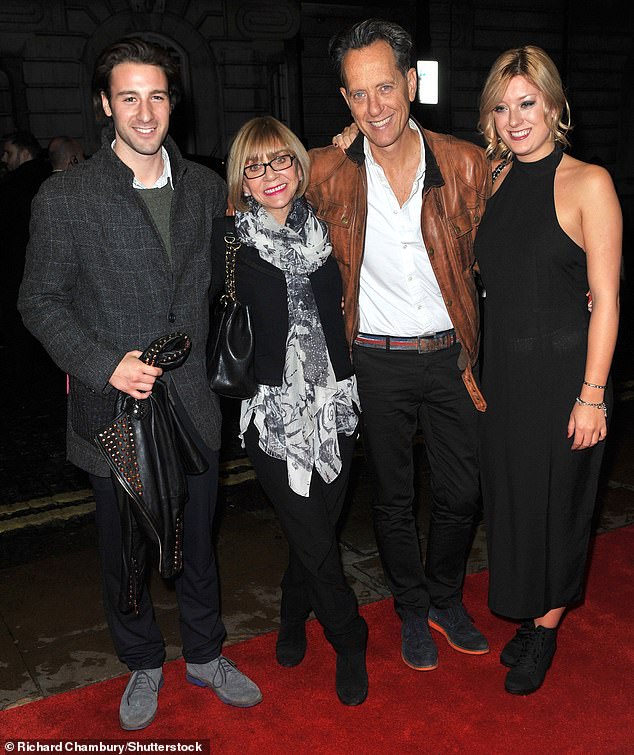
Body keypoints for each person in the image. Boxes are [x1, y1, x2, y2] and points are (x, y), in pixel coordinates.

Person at [18, 37, 261, 731]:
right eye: (129, 96)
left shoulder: (209, 188)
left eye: (156, 95)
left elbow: (230, 284)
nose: (144, 111)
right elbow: (39, 301)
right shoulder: (66, 196)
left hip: (191, 405)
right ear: (105, 104)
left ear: (172, 103)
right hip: (114, 407)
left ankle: (207, 651)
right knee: (124, 549)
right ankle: (142, 661)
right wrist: (102, 362)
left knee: (199, 539)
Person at [306, 19, 491, 672]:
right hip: (376, 359)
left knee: (462, 492)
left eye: (385, 87)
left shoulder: (465, 162)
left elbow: (513, 241)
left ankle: (445, 595)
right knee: (390, 496)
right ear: (345, 100)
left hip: (451, 355)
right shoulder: (328, 170)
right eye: (358, 94)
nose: (374, 106)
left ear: (411, 83)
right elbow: (255, 205)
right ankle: (412, 606)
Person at [474, 46, 621, 694]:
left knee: (560, 507)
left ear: (555, 106)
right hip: (505, 374)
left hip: (566, 375)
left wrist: (592, 395)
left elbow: (609, 298)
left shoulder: (590, 181)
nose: (514, 118)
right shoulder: (494, 178)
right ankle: (534, 611)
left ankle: (546, 626)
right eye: (502, 107)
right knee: (515, 501)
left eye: (527, 103)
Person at [213, 116, 368, 705]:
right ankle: (349, 637)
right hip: (274, 416)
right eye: (255, 166)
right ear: (242, 182)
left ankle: (289, 611)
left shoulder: (331, 229)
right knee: (310, 529)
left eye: (280, 161)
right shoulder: (230, 242)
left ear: (299, 167)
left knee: (318, 532)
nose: (270, 175)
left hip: (336, 407)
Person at [0, 131, 50, 341]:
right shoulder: (51, 177)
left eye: (8, 153)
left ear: (25, 152)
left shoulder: (12, 187)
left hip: (18, 272)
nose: (3, 159)